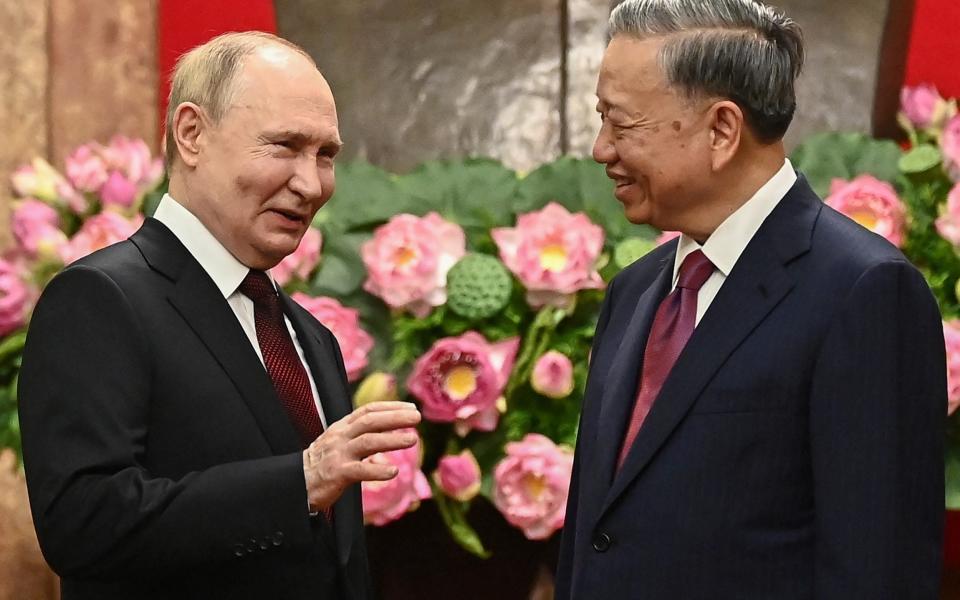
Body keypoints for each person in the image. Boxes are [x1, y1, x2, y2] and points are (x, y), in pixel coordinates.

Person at [556, 1, 946, 598]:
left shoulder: (862, 292)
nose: (600, 148)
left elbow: (878, 568)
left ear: (721, 129)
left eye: (623, 124)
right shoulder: (635, 293)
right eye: (600, 118)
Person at [18, 32, 421, 600]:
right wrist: (300, 481)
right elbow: (83, 523)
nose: (311, 184)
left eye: (326, 155)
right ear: (192, 134)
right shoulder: (99, 299)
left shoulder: (311, 336)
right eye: (284, 146)